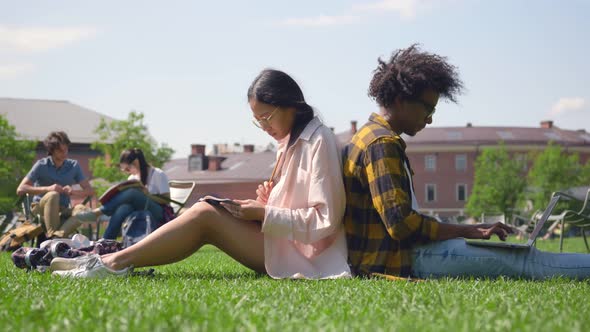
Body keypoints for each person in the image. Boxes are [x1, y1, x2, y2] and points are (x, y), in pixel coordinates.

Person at [51, 69, 351, 279]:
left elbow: (325, 220)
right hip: (280, 242)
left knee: (205, 214)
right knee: (205, 208)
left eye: (267, 117)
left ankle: (110, 263)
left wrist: (266, 213)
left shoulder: (317, 140)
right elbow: (293, 208)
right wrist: (266, 206)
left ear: (291, 106)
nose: (264, 127)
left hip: (305, 257)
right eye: (257, 121)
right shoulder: (289, 143)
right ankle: (107, 261)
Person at [343, 44, 590, 280]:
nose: (429, 120)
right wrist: (467, 230)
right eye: (427, 109)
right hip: (402, 260)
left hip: (400, 255)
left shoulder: (368, 135)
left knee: (520, 257)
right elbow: (401, 224)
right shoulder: (381, 143)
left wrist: (465, 232)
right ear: (400, 100)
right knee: (525, 260)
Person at [75, 148, 173, 240]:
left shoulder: (158, 174)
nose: (127, 172)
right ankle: (106, 241)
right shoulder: (132, 178)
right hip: (138, 210)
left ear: (136, 162)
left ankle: (97, 212)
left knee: (132, 193)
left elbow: (166, 200)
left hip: (159, 212)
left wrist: (147, 194)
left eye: (127, 169)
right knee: (124, 208)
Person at [16, 131, 94, 238]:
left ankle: (57, 236)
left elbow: (90, 191)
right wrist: (48, 189)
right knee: (53, 194)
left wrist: (73, 191)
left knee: (83, 210)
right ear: (51, 151)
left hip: (63, 209)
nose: (64, 153)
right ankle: (53, 235)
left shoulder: (74, 166)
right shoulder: (41, 165)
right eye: (60, 150)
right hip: (40, 208)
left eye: (66, 149)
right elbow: (21, 189)